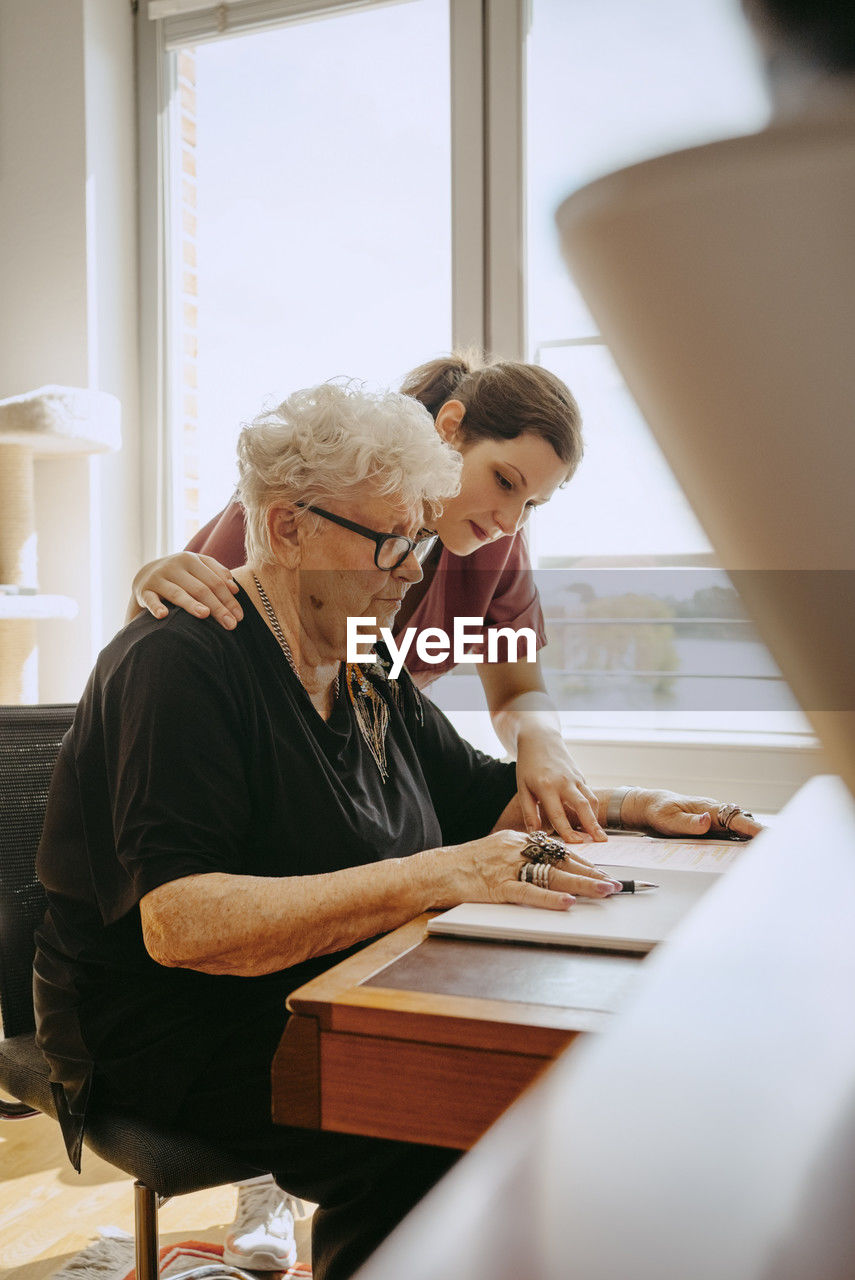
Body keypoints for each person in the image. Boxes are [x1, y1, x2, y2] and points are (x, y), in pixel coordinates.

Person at [35, 383, 758, 1280]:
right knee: (439, 1132)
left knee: (539, 1098)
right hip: (170, 1028)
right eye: (388, 541)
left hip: (325, 981)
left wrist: (631, 805)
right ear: (288, 526)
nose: (413, 569)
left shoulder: (364, 658)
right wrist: (438, 876)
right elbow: (182, 924)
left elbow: (482, 802)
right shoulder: (179, 661)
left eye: (420, 536)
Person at [129, 353, 605, 850]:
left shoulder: (494, 546)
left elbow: (515, 691)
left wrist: (543, 743)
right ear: (450, 427)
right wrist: (146, 582)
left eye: (531, 506)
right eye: (505, 482)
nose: (510, 520)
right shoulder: (309, 509)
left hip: (354, 780)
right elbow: (159, 651)